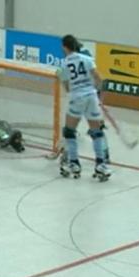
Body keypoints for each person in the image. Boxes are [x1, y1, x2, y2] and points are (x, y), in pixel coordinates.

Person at [58, 35, 112, 181]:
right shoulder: (87, 60)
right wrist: (98, 97)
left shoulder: (63, 65)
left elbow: (68, 88)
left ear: (64, 47)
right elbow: (99, 79)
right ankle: (101, 164)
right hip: (92, 97)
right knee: (96, 132)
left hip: (77, 98)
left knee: (69, 131)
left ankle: (74, 163)